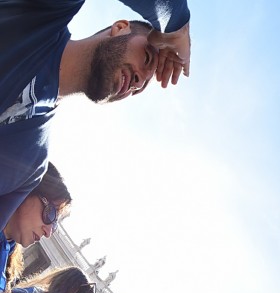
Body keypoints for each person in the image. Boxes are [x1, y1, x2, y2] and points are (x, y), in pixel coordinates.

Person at [0, 0, 192, 231]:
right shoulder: (45, 14)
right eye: (147, 58)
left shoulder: (31, 166)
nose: (138, 81)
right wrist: (177, 26)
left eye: (140, 87)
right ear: (120, 27)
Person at [2, 162, 72, 293]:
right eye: (50, 213)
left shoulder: (7, 265)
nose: (48, 232)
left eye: (55, 224)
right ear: (29, 190)